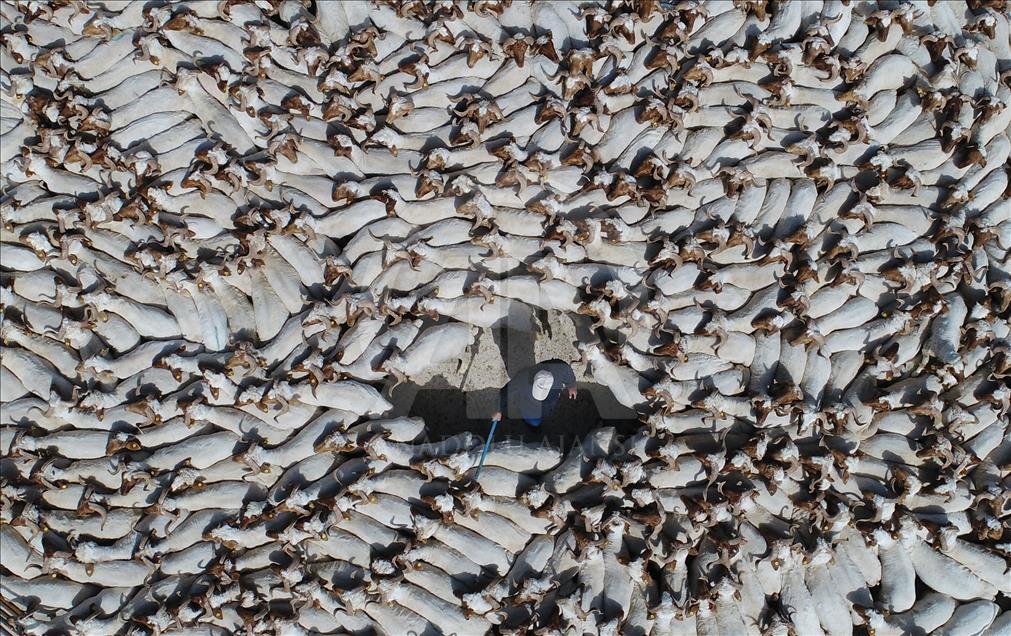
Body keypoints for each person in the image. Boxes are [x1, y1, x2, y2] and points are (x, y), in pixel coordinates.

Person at [491, 359, 578, 427]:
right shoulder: (521, 381)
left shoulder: (558, 369)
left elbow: (565, 368)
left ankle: (546, 413)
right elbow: (504, 393)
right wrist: (498, 409)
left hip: (549, 404)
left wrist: (572, 385)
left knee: (547, 411)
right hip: (529, 406)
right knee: (534, 422)